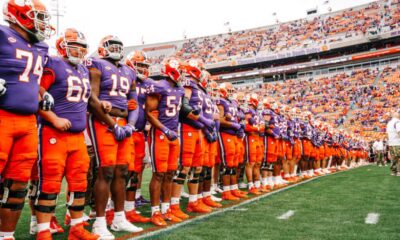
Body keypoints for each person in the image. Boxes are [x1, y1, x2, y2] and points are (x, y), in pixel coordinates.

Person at [34, 28, 100, 240]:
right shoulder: (53, 64)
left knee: (79, 183)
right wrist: (53, 118)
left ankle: (77, 229)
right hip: (53, 133)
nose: (79, 52)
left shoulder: (82, 70)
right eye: (75, 47)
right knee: (50, 182)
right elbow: (35, 93)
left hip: (77, 136)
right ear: (62, 46)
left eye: (82, 49)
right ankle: (43, 231)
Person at [0, 1, 54, 239]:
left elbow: (31, 78)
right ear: (18, 14)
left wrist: (43, 93)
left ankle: (6, 235)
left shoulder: (40, 46)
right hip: (2, 117)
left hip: (28, 122)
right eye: (38, 17)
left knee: (19, 184)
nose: (43, 23)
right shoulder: (2, 34)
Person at [87, 35, 142, 239]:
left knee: (123, 171)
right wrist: (113, 124)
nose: (117, 49)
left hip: (124, 122)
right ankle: (99, 223)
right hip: (103, 120)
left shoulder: (129, 70)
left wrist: (131, 125)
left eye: (119, 46)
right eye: (112, 45)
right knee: (106, 171)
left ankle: (119, 218)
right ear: (102, 48)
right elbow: (92, 99)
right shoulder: (96, 64)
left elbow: (133, 102)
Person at [386, 110, 400, 176]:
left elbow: (387, 135)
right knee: (398, 157)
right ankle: (399, 171)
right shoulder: (397, 122)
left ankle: (394, 171)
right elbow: (399, 132)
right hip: (397, 142)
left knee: (394, 158)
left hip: (391, 143)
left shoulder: (389, 123)